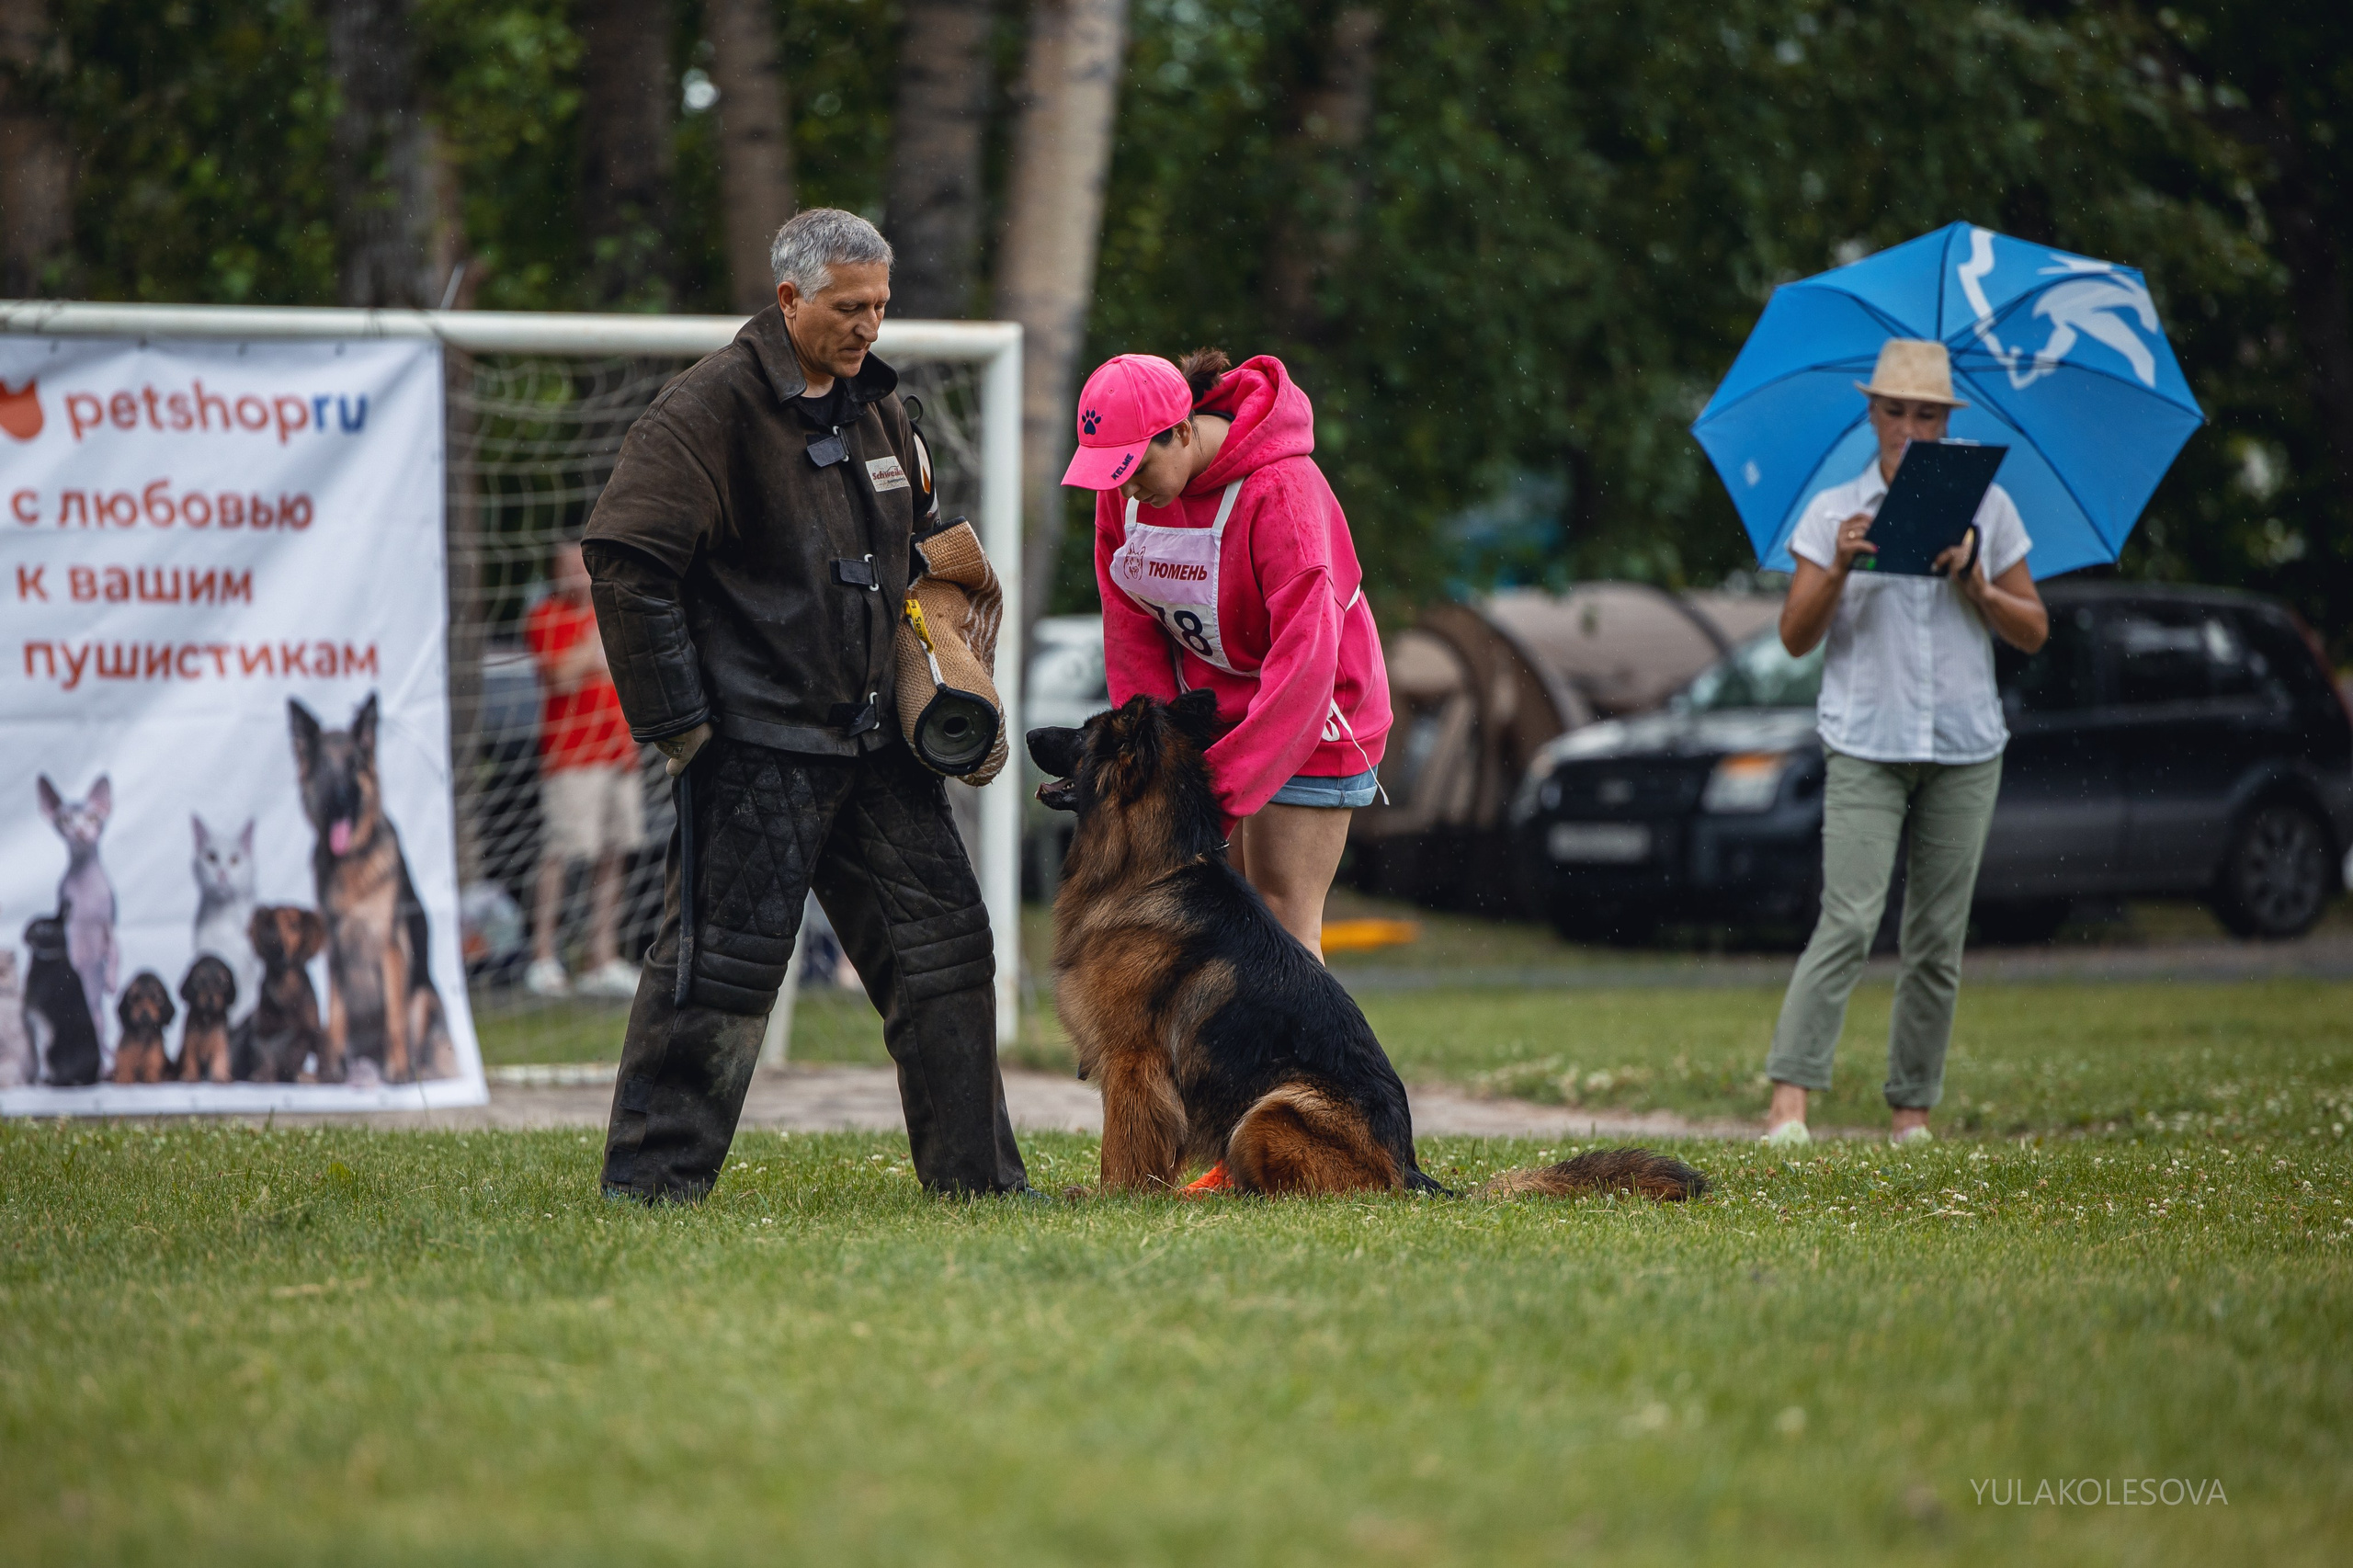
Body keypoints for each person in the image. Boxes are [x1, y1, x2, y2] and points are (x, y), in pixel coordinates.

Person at [580, 208, 1030, 1201]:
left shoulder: (882, 407)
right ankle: (650, 1190)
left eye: (880, 305)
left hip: (880, 752)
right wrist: (679, 723)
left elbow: (919, 542)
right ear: (789, 298)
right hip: (757, 748)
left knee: (949, 955)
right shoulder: (707, 408)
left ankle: (982, 1187)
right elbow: (625, 561)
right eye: (848, 306)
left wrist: (943, 636)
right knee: (719, 972)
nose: (869, 325)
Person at [1761, 338, 2049, 1146]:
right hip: (1866, 742)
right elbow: (1794, 637)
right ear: (1873, 414)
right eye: (1896, 411)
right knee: (1849, 920)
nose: (1910, 428)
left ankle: (1911, 1113)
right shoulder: (1832, 512)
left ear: (1946, 421)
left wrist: (1980, 586)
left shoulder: (1989, 508)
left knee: (1936, 938)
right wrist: (1839, 567)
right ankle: (1789, 1105)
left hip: (1964, 745)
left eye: (1927, 415)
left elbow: (2032, 629)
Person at [1063, 348, 1392, 960]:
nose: (1124, 487)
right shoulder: (1125, 493)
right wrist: (1160, 754)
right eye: (1111, 472)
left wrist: (1212, 794)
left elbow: (1306, 665)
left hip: (1314, 711)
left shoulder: (1281, 492)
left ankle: (1306, 1034)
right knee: (1219, 933)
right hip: (1221, 714)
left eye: (1135, 466)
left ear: (1183, 432)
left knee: (1280, 925)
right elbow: (1130, 628)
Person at [524, 539, 644, 1001]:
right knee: (561, 853)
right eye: (568, 568)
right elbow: (562, 676)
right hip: (572, 758)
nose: (577, 575)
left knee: (614, 853)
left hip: (618, 752)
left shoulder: (609, 613)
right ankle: (542, 956)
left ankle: (601, 958)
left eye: (582, 567)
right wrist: (594, 644)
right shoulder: (546, 616)